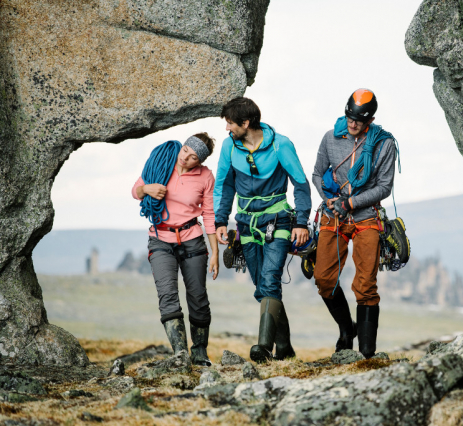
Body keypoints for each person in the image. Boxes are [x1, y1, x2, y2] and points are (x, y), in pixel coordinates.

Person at [214, 97, 312, 362]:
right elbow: (224, 186)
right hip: (245, 223)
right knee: (262, 286)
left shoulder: (281, 145)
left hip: (278, 221)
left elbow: (301, 185)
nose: (227, 129)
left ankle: (264, 348)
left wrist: (301, 223)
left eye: (231, 123)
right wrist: (220, 221)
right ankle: (286, 349)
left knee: (269, 280)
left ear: (246, 123)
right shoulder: (229, 147)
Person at [312, 89, 396, 359]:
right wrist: (330, 200)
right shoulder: (330, 137)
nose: (353, 123)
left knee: (365, 285)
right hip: (333, 215)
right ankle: (347, 329)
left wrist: (351, 203)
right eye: (350, 116)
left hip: (366, 216)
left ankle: (367, 355)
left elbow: (384, 187)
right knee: (324, 278)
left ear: (370, 119)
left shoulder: (384, 145)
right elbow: (316, 173)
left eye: (359, 119)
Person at [132, 133, 219, 367]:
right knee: (168, 295)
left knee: (198, 297)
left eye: (193, 157)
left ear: (199, 161)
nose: (186, 158)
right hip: (160, 239)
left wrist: (215, 253)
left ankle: (199, 352)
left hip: (192, 240)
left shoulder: (206, 177)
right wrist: (147, 189)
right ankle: (180, 353)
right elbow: (135, 191)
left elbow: (209, 214)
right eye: (185, 151)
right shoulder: (163, 162)